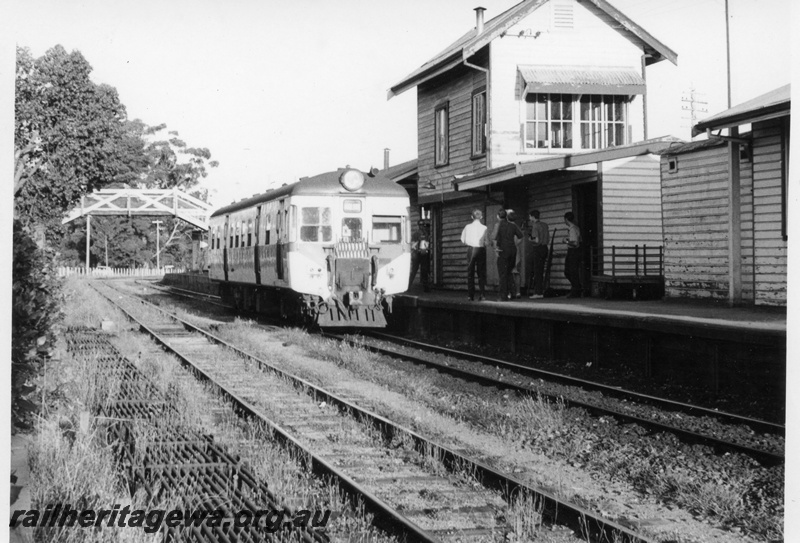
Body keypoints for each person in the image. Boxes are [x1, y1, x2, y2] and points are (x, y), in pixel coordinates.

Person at [491, 209, 523, 301]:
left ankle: (503, 296)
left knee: (502, 274)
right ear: (506, 216)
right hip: (513, 250)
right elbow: (521, 236)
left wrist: (496, 249)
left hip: (502, 250)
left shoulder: (498, 225)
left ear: (498, 216)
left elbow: (493, 238)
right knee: (509, 272)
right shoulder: (513, 225)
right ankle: (513, 293)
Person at [460, 209, 487, 301]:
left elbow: (463, 240)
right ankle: (482, 294)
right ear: (481, 217)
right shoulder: (485, 228)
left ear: (472, 217)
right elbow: (486, 241)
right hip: (481, 249)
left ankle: (470, 295)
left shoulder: (467, 227)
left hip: (471, 249)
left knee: (470, 273)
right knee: (481, 273)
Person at [527, 210, 549, 299]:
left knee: (537, 271)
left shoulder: (535, 226)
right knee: (541, 270)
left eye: (529, 216)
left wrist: (529, 239)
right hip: (545, 248)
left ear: (532, 216)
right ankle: (541, 291)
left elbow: (536, 240)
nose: (529, 218)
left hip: (538, 249)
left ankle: (538, 292)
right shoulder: (545, 225)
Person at [563, 212, 582, 298]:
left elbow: (574, 243)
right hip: (577, 251)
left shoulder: (572, 229)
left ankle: (576, 289)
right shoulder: (576, 228)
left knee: (569, 272)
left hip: (573, 251)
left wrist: (566, 241)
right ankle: (576, 288)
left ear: (566, 219)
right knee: (573, 271)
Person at [409, 220, 431, 292]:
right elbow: (412, 245)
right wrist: (417, 243)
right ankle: (408, 286)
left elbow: (427, 244)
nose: (422, 227)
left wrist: (426, 248)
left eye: (423, 225)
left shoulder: (426, 234)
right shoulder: (415, 234)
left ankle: (426, 287)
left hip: (423, 253)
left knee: (424, 270)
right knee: (414, 270)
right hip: (416, 253)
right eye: (420, 225)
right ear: (418, 226)